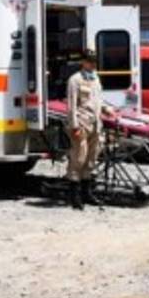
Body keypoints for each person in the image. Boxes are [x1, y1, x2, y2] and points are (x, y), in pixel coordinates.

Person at [65, 49, 112, 209]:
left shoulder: (95, 79)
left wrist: (106, 109)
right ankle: (74, 196)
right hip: (82, 124)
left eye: (94, 62)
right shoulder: (75, 80)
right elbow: (71, 106)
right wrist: (74, 126)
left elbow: (98, 100)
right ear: (83, 62)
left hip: (95, 124)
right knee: (79, 158)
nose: (93, 65)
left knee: (91, 159)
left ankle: (87, 193)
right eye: (90, 62)